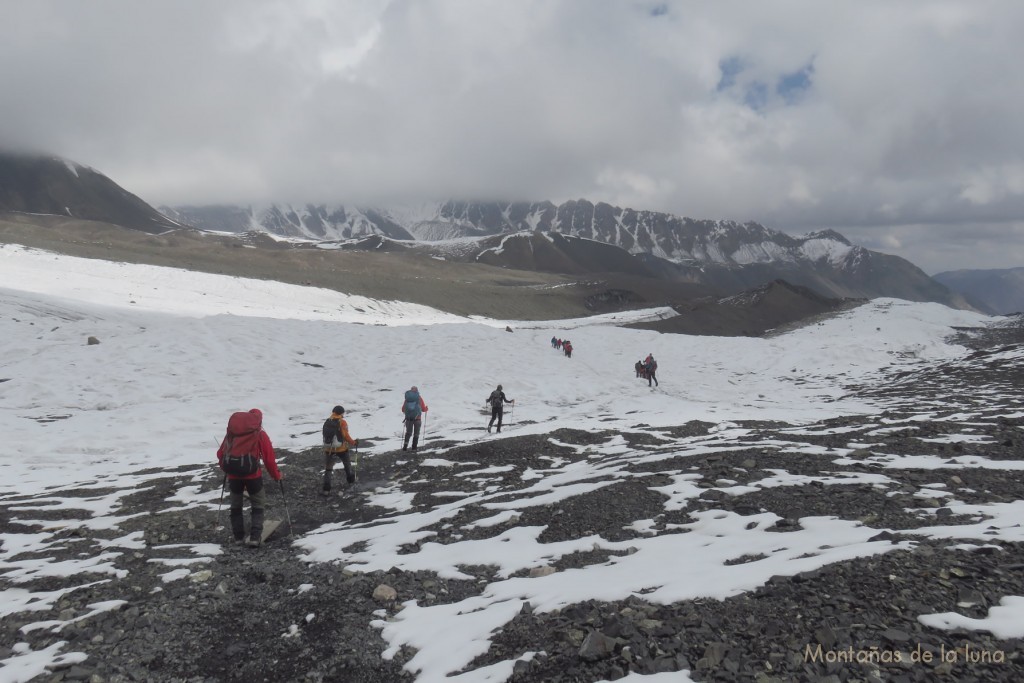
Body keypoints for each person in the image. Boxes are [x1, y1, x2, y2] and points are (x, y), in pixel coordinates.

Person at [216, 408, 282, 547]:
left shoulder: (231, 434)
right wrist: (276, 476)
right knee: (258, 504)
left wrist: (227, 469)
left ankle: (238, 538)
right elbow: (269, 459)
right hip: (253, 475)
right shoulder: (260, 434)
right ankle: (254, 537)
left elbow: (220, 454)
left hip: (233, 476)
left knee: (236, 506)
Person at [322, 405, 358, 493]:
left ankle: (326, 489)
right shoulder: (342, 422)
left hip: (329, 449)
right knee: (347, 465)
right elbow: (345, 436)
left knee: (328, 469)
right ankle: (351, 481)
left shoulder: (327, 421)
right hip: (341, 449)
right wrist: (354, 442)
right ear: (341, 413)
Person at [402, 386, 428, 451]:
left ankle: (405, 446)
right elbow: (423, 409)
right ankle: (414, 448)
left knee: (408, 433)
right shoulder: (419, 398)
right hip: (417, 419)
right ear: (417, 391)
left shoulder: (407, 399)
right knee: (416, 433)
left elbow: (403, 409)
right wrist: (426, 408)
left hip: (409, 419)